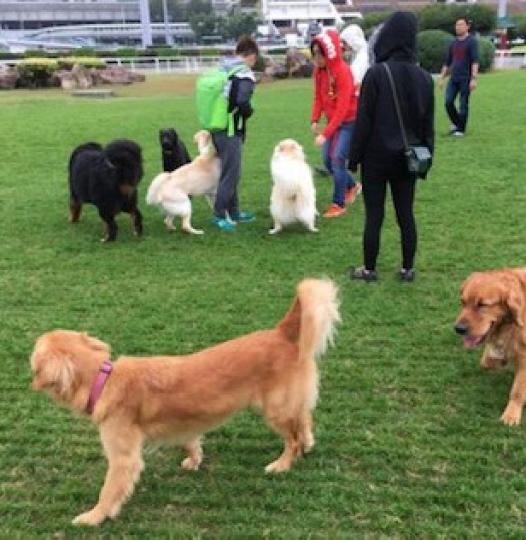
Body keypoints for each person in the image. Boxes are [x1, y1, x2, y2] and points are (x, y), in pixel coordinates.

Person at [348, 11, 435, 282]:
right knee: (406, 214)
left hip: (376, 158)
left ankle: (369, 268)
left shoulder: (376, 74)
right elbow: (427, 124)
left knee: (374, 215)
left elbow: (363, 122)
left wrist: (354, 158)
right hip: (408, 157)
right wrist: (426, 156)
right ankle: (408, 268)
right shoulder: (424, 77)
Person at [311, 30, 362, 218]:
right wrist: (314, 119)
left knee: (338, 160)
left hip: (348, 122)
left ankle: (338, 204)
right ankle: (352, 185)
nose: (316, 58)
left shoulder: (343, 72)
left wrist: (325, 134)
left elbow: (342, 109)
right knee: (327, 160)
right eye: (314, 53)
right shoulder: (319, 72)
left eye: (319, 54)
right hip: (333, 122)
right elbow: (318, 96)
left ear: (329, 53)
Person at [211, 35, 258, 231]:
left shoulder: (223, 67)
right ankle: (219, 214)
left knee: (230, 170)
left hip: (216, 126)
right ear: (252, 55)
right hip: (230, 129)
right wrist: (249, 112)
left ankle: (234, 210)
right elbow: (241, 102)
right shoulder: (244, 74)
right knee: (231, 173)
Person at [439, 17, 479, 137]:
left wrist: (474, 79)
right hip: (453, 78)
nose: (458, 27)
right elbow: (447, 62)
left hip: (465, 78)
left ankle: (460, 130)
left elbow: (475, 61)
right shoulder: (453, 43)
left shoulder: (472, 42)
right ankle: (457, 123)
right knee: (448, 102)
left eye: (461, 25)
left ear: (467, 26)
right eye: (457, 25)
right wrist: (442, 77)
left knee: (463, 104)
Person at [340, 24, 370, 95]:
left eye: (345, 43)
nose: (344, 46)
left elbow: (355, 79)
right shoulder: (358, 54)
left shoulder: (363, 56)